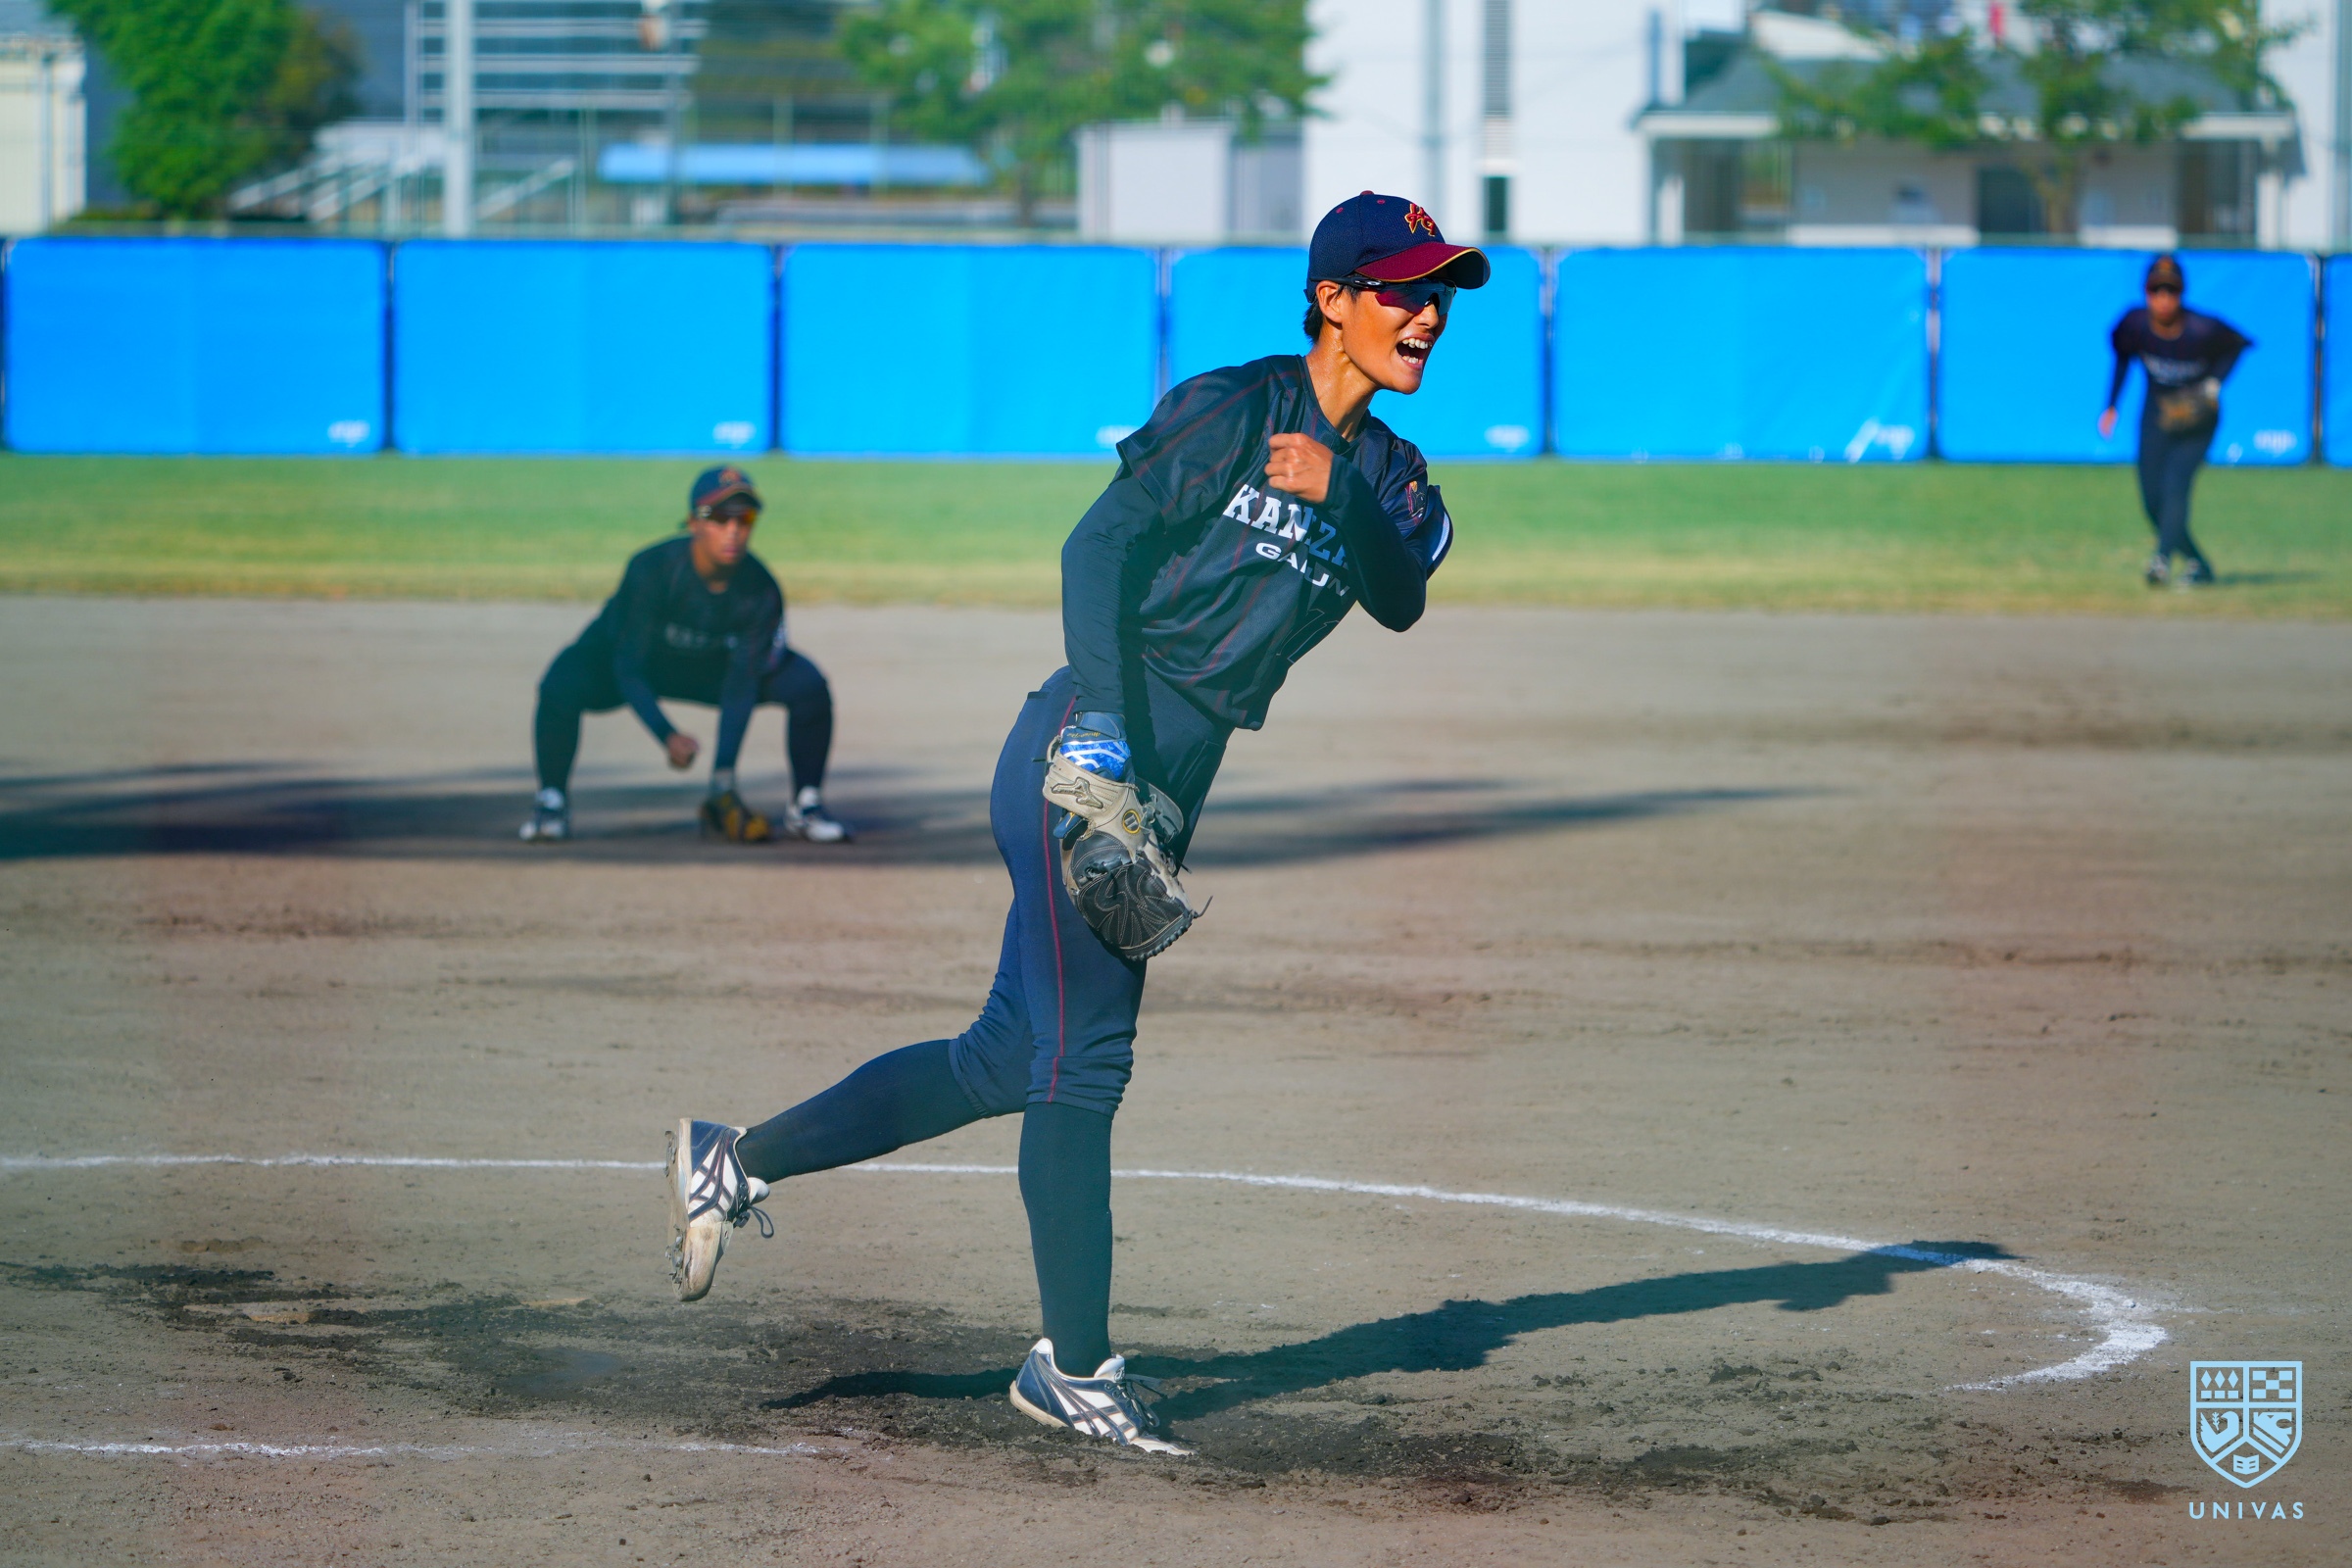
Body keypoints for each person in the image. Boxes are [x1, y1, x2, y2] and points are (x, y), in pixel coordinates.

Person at [661, 192, 1486, 1455]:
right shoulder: (1234, 409)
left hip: (1169, 783)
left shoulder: (1391, 478)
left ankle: (735, 1158)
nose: (1426, 314)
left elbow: (1400, 599)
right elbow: (1093, 550)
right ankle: (1075, 1366)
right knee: (1083, 1060)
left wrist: (1338, 494)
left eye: (1439, 295)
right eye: (1402, 290)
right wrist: (1100, 728)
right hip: (1082, 751)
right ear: (1331, 298)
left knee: (1004, 1058)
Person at [520, 466, 850, 845]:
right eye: (718, 517)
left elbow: (742, 681)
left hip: (709, 671)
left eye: (744, 518)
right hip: (631, 666)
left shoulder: (760, 589)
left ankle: (807, 807)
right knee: (563, 679)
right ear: (694, 522)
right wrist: (666, 734)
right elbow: (627, 665)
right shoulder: (652, 570)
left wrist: (723, 779)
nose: (733, 530)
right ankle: (551, 803)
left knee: (807, 685)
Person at [2099, 254, 2252, 588]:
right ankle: (2198, 563)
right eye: (2157, 291)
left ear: (2182, 294)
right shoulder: (2135, 325)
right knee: (2152, 499)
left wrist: (2214, 383)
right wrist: (2111, 405)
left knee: (2176, 485)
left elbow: (2239, 344)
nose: (2164, 299)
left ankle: (2161, 560)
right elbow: (2122, 358)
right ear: (2146, 293)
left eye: (2171, 291)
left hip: (2198, 419)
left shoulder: (2202, 328)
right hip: (2156, 415)